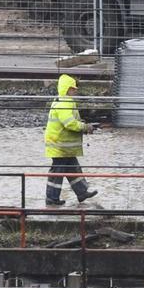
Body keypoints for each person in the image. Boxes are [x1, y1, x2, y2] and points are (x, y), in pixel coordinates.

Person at [44, 74, 98, 207]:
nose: (75, 91)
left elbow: (71, 121)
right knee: (58, 172)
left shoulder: (60, 100)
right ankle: (51, 198)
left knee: (72, 168)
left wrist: (82, 124)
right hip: (61, 146)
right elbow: (69, 123)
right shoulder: (65, 102)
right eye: (73, 89)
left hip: (62, 145)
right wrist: (84, 127)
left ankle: (82, 192)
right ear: (67, 89)